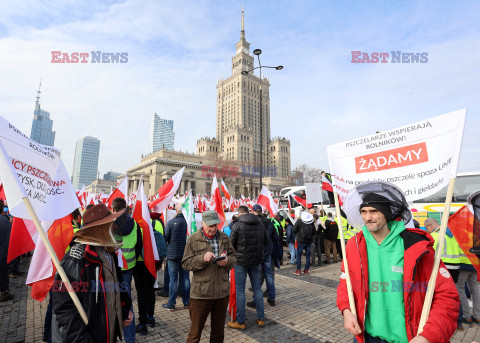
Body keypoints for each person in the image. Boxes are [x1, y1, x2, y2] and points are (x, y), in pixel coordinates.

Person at [337, 188, 459, 343]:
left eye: (374, 211)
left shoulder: (416, 247)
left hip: (411, 338)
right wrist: (346, 310)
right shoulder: (354, 245)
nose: (368, 217)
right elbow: (345, 282)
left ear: (387, 214)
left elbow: (446, 296)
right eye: (363, 211)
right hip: (366, 336)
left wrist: (428, 337)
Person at [51, 203, 133, 342]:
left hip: (108, 331)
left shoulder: (108, 251)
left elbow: (117, 284)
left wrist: (125, 310)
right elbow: (64, 308)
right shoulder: (77, 258)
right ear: (98, 229)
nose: (116, 227)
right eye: (110, 223)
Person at [182, 210, 237, 343]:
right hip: (201, 294)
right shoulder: (193, 239)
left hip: (221, 293)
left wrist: (227, 261)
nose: (213, 229)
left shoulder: (224, 237)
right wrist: (202, 259)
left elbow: (234, 257)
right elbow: (185, 263)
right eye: (210, 225)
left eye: (215, 225)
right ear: (203, 223)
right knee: (195, 333)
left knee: (218, 334)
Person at [227, 205, 268, 330]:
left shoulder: (237, 225)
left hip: (241, 262)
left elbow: (230, 244)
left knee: (240, 291)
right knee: (257, 289)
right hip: (256, 261)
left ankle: (240, 321)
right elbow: (265, 242)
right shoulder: (260, 224)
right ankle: (261, 318)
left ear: (239, 214)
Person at [111, 197, 143, 339]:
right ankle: (130, 338)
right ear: (126, 208)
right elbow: (139, 246)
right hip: (128, 268)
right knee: (126, 301)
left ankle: (111, 335)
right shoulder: (135, 224)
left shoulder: (110, 224)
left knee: (110, 301)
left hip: (112, 269)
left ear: (113, 209)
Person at [249, 204, 277, 308]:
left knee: (257, 276)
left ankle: (256, 301)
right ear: (261, 211)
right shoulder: (269, 222)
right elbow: (275, 236)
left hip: (257, 252)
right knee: (269, 275)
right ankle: (271, 298)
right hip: (267, 252)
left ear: (253, 211)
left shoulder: (252, 222)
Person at [163, 205, 190, 311]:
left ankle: (172, 304)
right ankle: (186, 302)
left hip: (173, 254)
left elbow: (166, 237)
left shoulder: (170, 222)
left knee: (173, 279)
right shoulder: (187, 221)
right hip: (185, 254)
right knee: (185, 278)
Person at [0, 200, 13, 302]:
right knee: (4, 273)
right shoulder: (5, 220)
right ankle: (4, 292)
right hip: (5, 252)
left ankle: (4, 293)